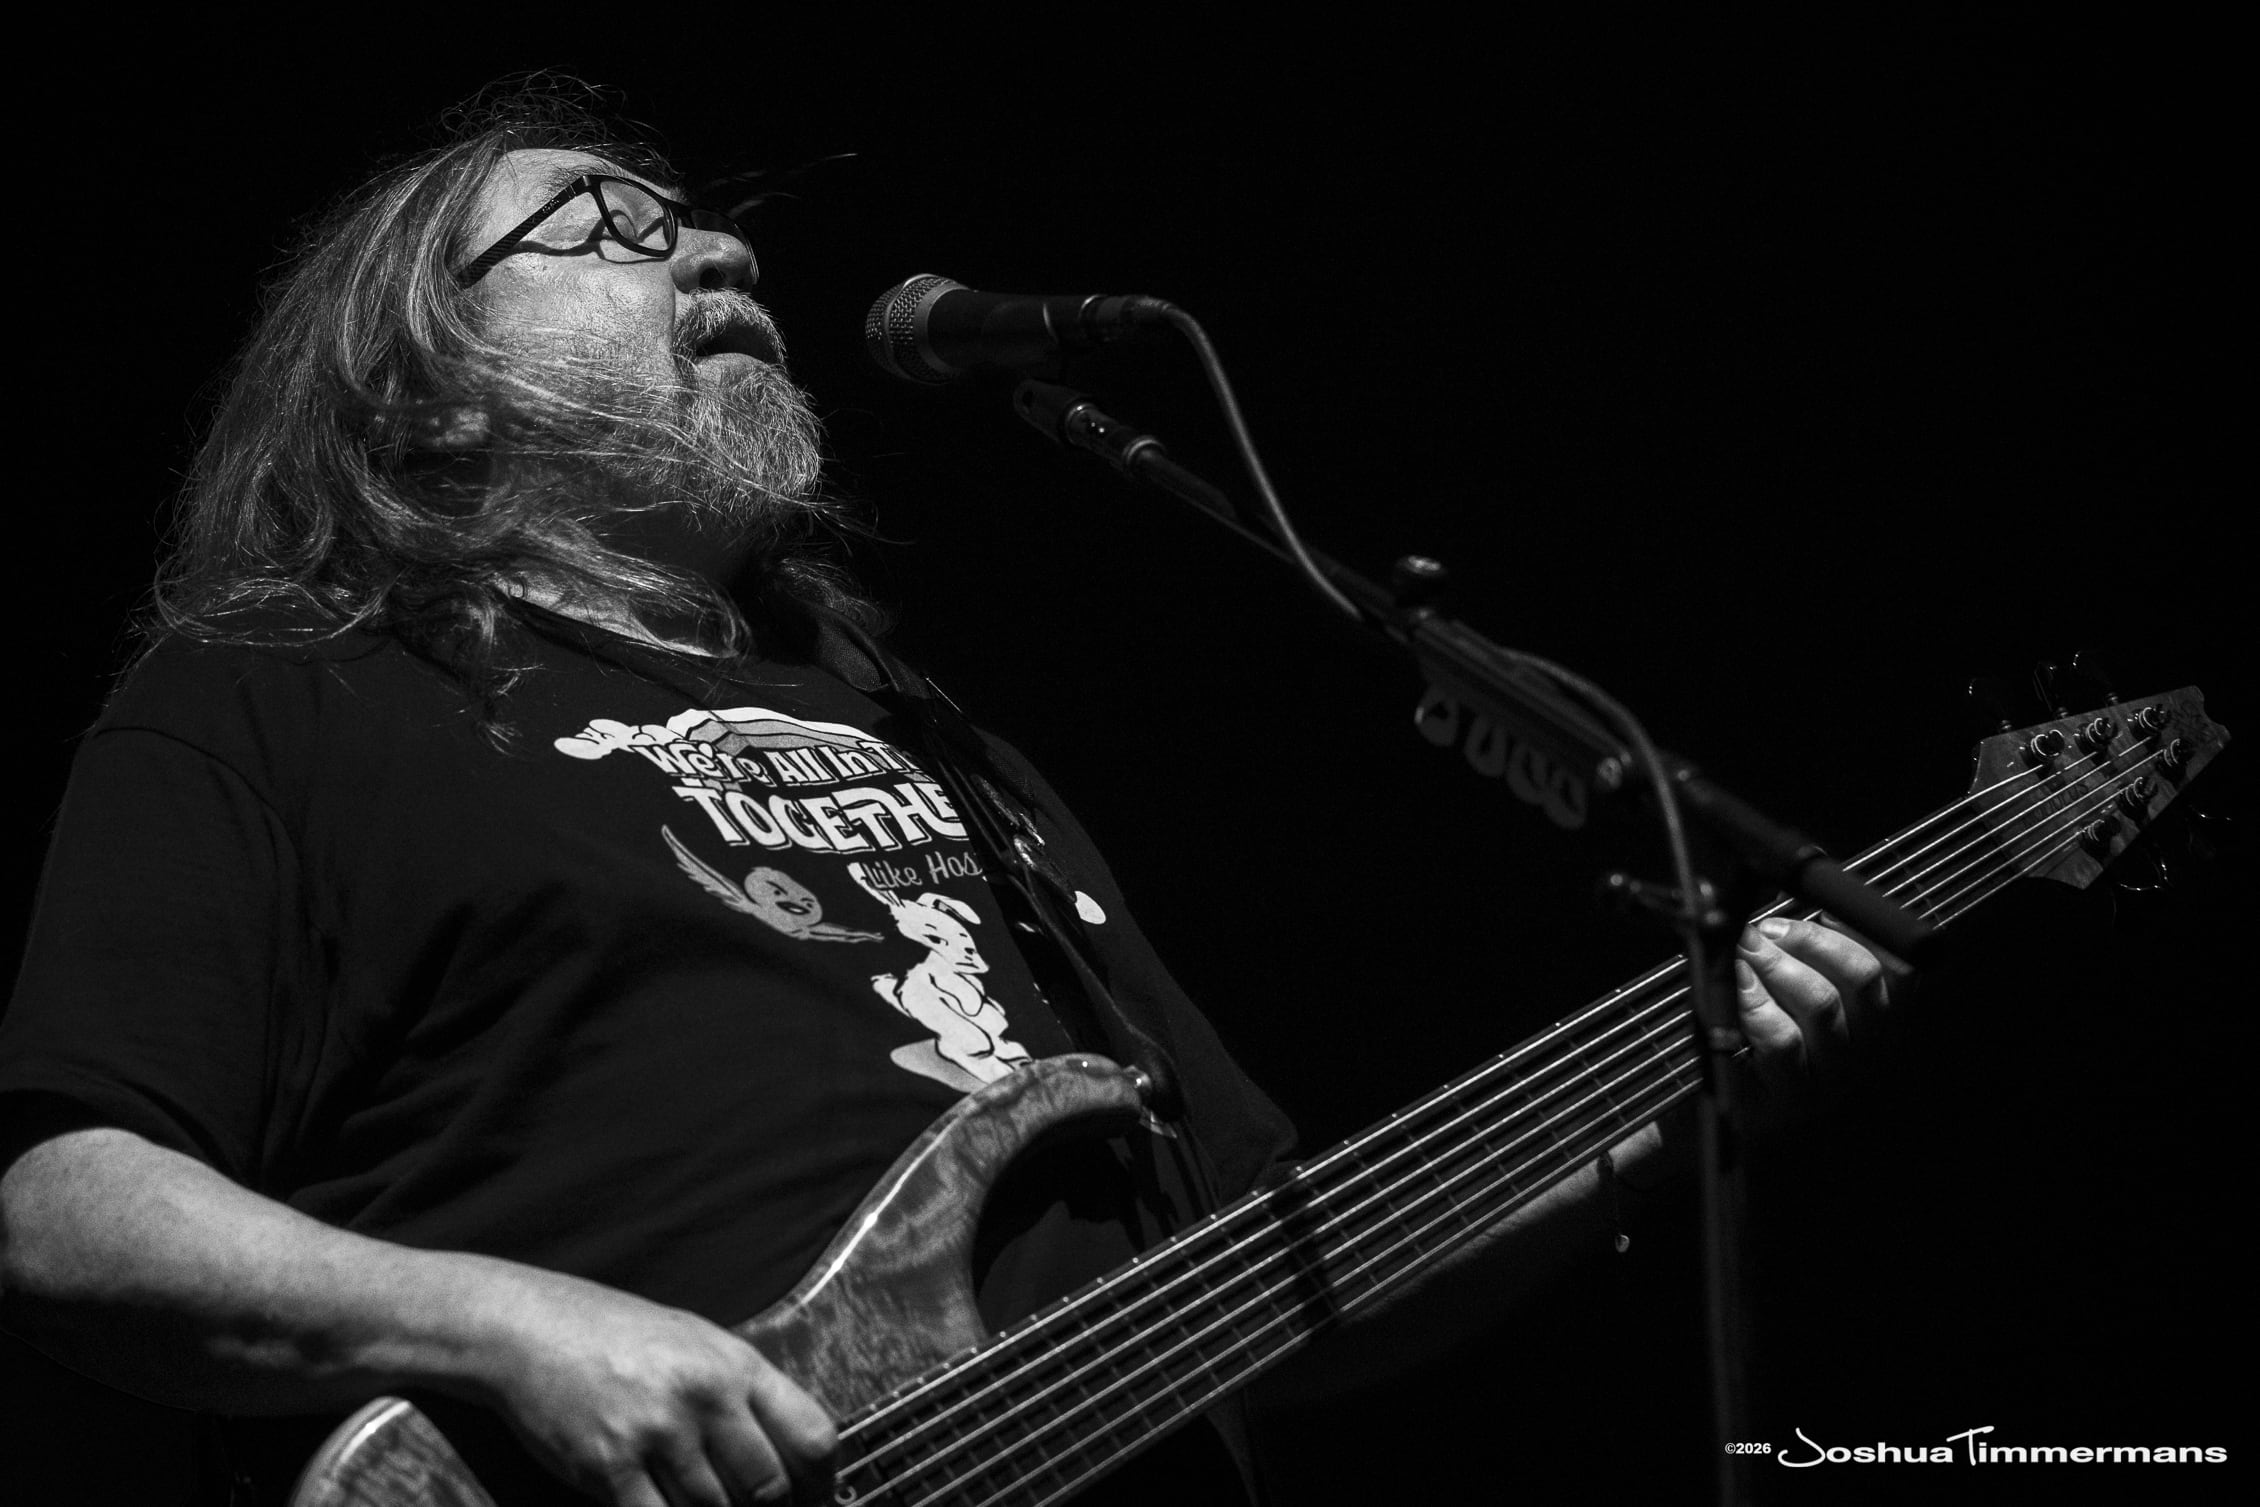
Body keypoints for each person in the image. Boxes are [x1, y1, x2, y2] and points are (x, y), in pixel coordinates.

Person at [0, 85, 1891, 1506]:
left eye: (704, 225)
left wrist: (1673, 1119)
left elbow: (1272, 1288)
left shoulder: (946, 749)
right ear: (423, 395)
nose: (717, 254)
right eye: (603, 225)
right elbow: (68, 1212)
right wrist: (508, 1325)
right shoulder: (288, 694)